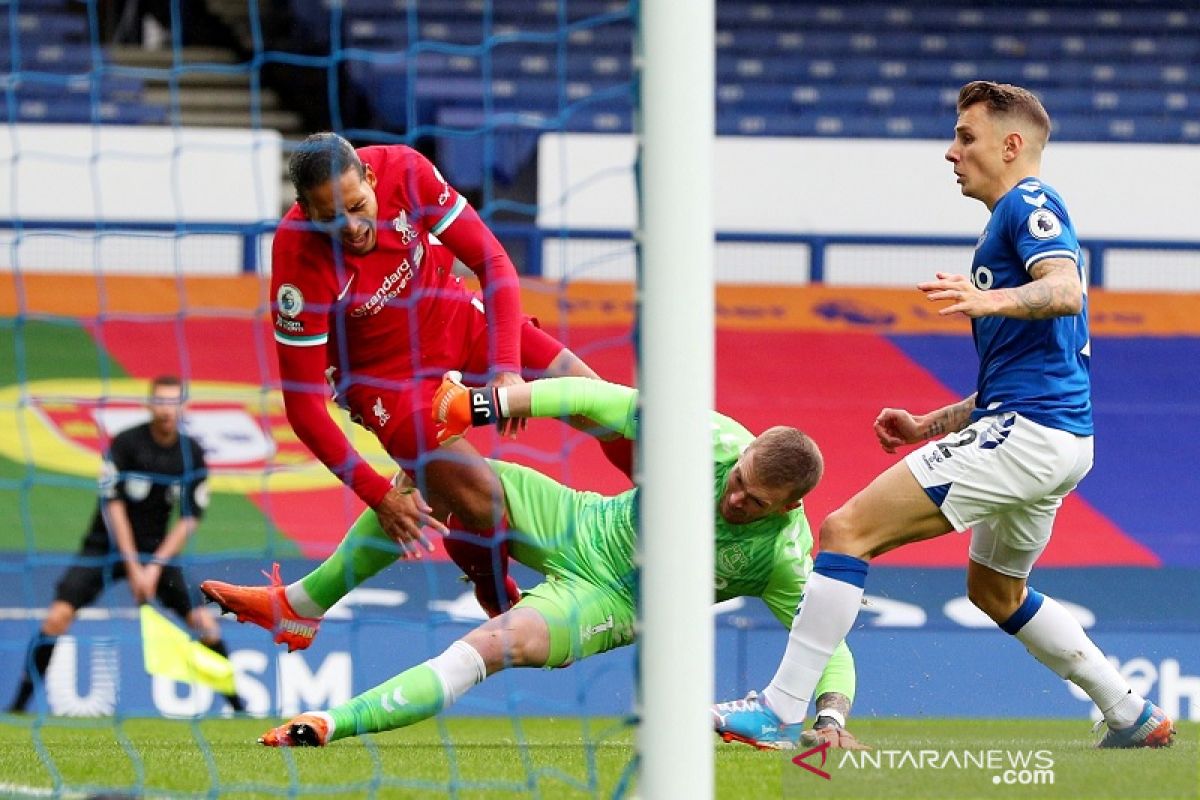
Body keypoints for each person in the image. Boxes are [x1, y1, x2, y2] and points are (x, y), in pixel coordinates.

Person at [712, 80, 1176, 750]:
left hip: (1030, 438)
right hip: (1056, 437)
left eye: (966, 136)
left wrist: (991, 301)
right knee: (995, 591)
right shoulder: (1003, 227)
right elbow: (1018, 380)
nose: (951, 152)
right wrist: (929, 425)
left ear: (1011, 144)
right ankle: (1129, 712)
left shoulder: (1031, 203)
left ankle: (778, 709)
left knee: (845, 531)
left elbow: (1066, 288)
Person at [228, 373, 862, 749]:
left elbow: (827, 642)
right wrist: (486, 405)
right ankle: (301, 608)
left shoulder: (783, 555)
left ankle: (328, 724)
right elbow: (600, 398)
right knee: (433, 476)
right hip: (581, 518)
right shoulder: (717, 440)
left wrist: (829, 716)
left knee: (495, 645)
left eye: (754, 500)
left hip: (611, 599)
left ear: (790, 506)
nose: (735, 495)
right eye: (741, 478)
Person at [260, 132, 632, 625]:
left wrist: (505, 370)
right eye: (332, 218)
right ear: (306, 212)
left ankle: (673, 519)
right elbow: (303, 407)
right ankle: (496, 597)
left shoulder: (405, 171)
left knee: (597, 400)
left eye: (357, 206)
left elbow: (492, 262)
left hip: (455, 317)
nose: (351, 226)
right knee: (481, 497)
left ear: (371, 179)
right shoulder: (297, 262)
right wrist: (378, 495)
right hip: (385, 381)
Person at [7, 376, 244, 714]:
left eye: (173, 402)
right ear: (149, 405)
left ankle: (240, 708)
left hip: (157, 554)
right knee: (57, 617)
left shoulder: (191, 453)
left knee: (204, 623)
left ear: (183, 406)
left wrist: (154, 567)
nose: (166, 410)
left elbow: (190, 517)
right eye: (159, 402)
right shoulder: (126, 444)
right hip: (104, 548)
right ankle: (17, 707)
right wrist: (135, 567)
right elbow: (113, 506)